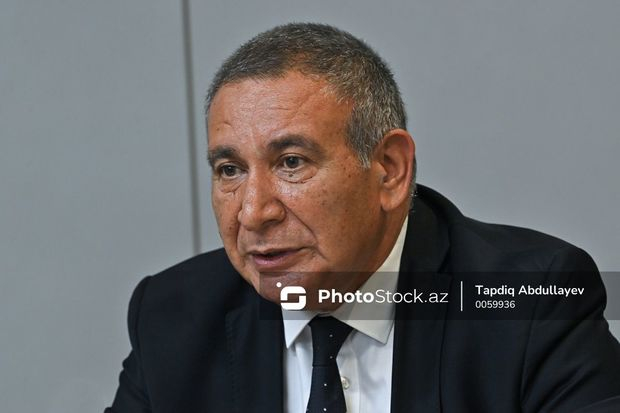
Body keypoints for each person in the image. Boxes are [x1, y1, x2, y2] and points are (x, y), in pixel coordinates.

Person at [106, 23, 620, 412]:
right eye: (230, 170)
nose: (254, 212)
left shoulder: (530, 303)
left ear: (390, 170)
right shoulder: (172, 317)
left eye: (291, 162)